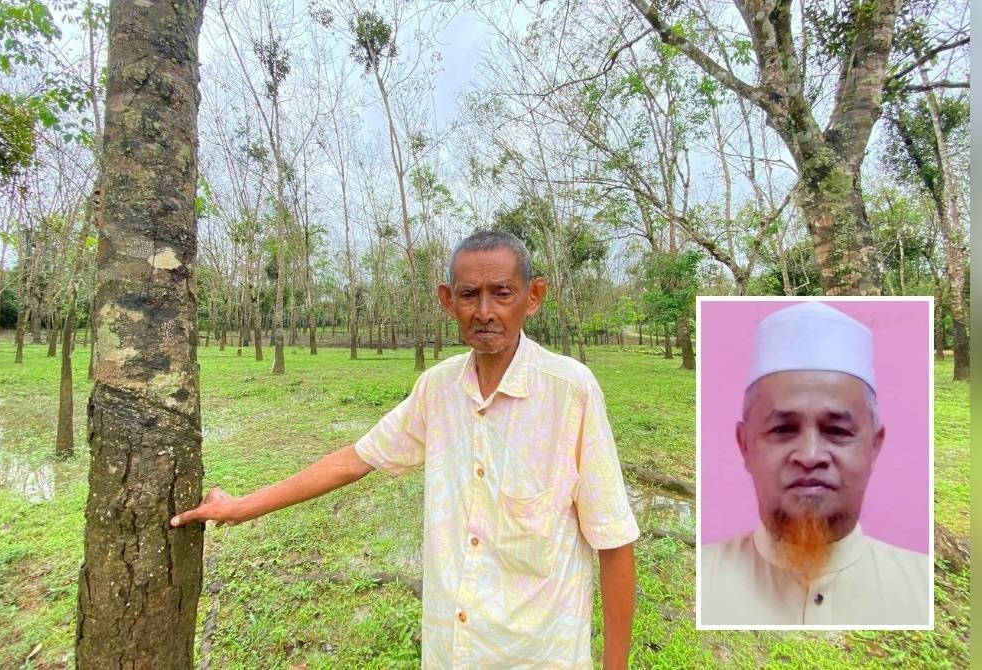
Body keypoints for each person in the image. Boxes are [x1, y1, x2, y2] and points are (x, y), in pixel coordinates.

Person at [171, 230, 640, 667]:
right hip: (452, 648)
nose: (484, 311)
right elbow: (355, 460)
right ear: (447, 300)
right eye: (468, 295)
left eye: (502, 293)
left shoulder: (569, 391)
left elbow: (613, 538)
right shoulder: (437, 389)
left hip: (537, 652)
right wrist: (242, 508)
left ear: (532, 297)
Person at [699, 301, 930, 627]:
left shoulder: (925, 590)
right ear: (745, 445)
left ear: (874, 447)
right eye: (783, 429)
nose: (809, 456)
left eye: (837, 431)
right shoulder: (701, 582)